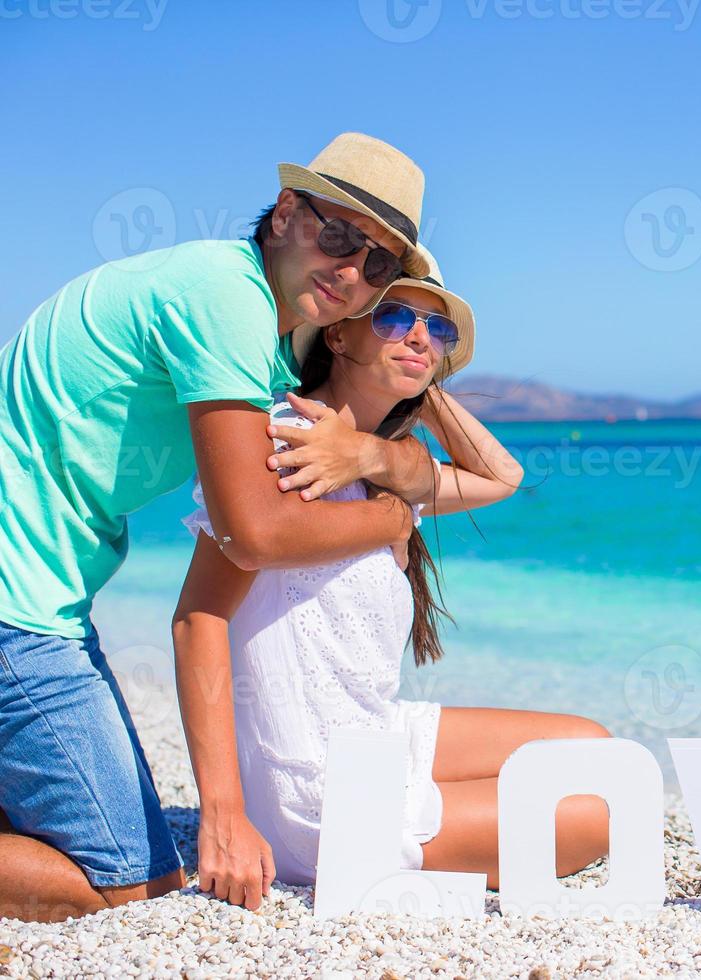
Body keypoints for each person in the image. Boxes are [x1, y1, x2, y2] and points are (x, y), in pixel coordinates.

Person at [0, 134, 442, 923]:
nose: (350, 272)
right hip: (17, 612)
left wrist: (400, 404)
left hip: (39, 600)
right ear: (284, 215)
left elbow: (491, 479)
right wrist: (388, 517)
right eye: (337, 236)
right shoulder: (225, 299)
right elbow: (253, 535)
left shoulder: (255, 330)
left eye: (378, 268)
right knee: (128, 880)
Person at [172, 250, 612, 909]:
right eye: (397, 317)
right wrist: (223, 814)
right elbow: (197, 617)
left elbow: (503, 477)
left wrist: (408, 399)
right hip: (321, 790)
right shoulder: (283, 446)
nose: (421, 337)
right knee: (596, 815)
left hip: (377, 733)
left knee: (594, 749)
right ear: (340, 331)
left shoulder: (384, 475)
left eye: (440, 331)